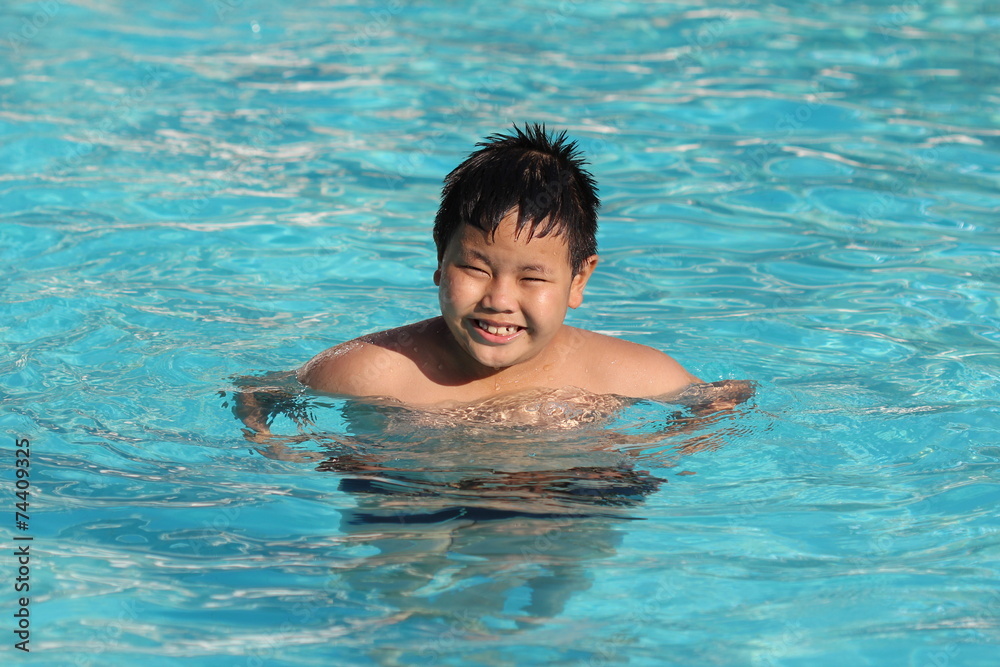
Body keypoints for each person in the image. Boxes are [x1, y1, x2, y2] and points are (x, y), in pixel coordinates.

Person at [295, 123, 748, 408]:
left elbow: (725, 400)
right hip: (409, 487)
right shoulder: (373, 372)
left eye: (532, 277)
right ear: (440, 262)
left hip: (561, 492)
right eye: (476, 269)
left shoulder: (626, 374)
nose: (499, 300)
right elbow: (259, 397)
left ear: (579, 279)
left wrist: (661, 458)